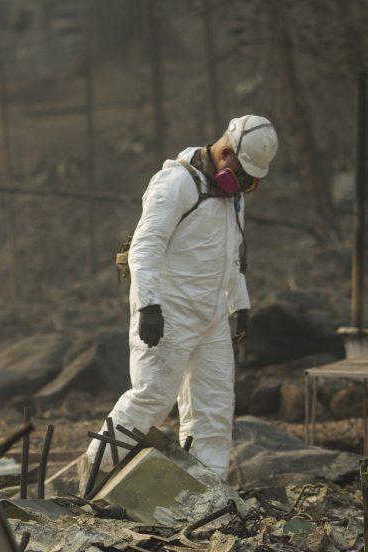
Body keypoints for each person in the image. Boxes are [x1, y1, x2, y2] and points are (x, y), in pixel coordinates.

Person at [82, 115, 278, 485]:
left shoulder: (232, 197)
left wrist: (240, 304)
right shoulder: (175, 183)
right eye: (241, 174)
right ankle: (94, 474)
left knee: (215, 408)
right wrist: (149, 306)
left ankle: (207, 489)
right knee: (151, 397)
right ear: (224, 152)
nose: (244, 185)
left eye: (252, 180)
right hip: (169, 312)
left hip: (212, 315)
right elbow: (145, 247)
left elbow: (232, 254)